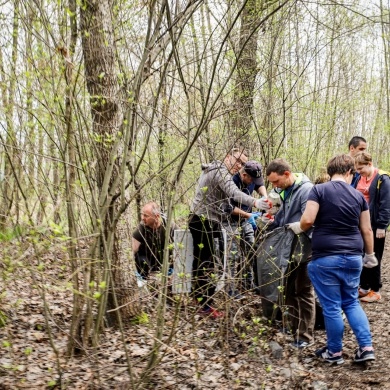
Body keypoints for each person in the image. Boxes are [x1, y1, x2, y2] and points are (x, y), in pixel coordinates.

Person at [300, 154, 377, 365]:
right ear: (349, 172)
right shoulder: (358, 196)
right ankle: (366, 347)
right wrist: (370, 255)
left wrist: (298, 227)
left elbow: (307, 220)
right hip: (353, 256)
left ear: (331, 170)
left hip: (325, 257)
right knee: (351, 302)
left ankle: (334, 352)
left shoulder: (318, 190)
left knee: (332, 306)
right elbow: (367, 229)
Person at [189, 148, 269, 318]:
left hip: (205, 219)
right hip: (204, 220)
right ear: (227, 157)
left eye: (242, 163)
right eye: (237, 161)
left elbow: (225, 201)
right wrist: (256, 202)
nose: (239, 166)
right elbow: (234, 192)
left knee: (203, 262)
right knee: (207, 263)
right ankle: (204, 305)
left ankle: (199, 299)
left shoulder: (216, 169)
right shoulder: (220, 172)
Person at [265, 158, 315, 349]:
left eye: (276, 182)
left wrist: (298, 226)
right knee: (287, 290)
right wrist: (270, 221)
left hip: (304, 250)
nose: (275, 186)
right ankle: (294, 328)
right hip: (288, 250)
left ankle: (305, 337)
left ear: (287, 174)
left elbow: (308, 220)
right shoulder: (287, 191)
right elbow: (283, 218)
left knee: (303, 291)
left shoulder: (306, 190)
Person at [354, 152, 390, 302]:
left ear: (369, 164)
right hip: (361, 223)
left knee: (374, 255)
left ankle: (375, 290)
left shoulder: (382, 178)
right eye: (357, 169)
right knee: (362, 255)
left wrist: (382, 225)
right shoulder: (359, 178)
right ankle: (364, 287)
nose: (359, 171)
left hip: (375, 224)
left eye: (361, 168)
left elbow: (386, 204)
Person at [230, 161, 267, 291]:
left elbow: (259, 185)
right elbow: (228, 208)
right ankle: (231, 289)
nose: (253, 182)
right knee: (233, 256)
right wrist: (248, 215)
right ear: (244, 175)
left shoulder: (253, 178)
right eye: (251, 179)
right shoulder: (231, 182)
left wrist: (265, 197)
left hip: (246, 220)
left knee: (251, 251)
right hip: (230, 222)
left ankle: (250, 283)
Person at [132, 202, 178, 278]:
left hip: (167, 263)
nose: (142, 218)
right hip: (148, 262)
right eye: (142, 214)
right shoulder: (141, 227)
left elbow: (182, 243)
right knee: (141, 261)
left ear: (156, 216)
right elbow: (133, 249)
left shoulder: (169, 225)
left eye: (146, 216)